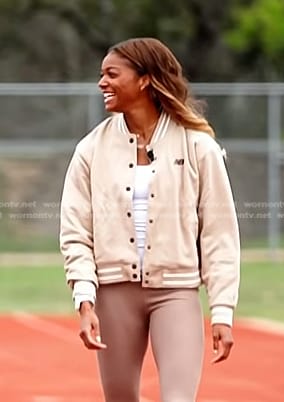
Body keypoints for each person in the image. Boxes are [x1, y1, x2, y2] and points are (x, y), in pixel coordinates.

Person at [59, 37, 240, 402]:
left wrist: (222, 310)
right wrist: (85, 300)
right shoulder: (90, 150)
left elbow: (220, 234)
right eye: (101, 74)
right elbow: (75, 231)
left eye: (112, 74)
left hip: (176, 291)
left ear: (144, 79)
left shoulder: (198, 146)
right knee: (121, 397)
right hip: (113, 295)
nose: (101, 83)